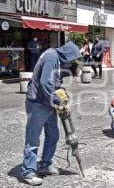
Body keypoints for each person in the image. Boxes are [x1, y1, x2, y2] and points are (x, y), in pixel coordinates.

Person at [21, 41, 81, 186]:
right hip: (38, 103)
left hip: (47, 103)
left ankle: (45, 164)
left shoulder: (56, 58)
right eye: (72, 59)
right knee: (33, 138)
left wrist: (62, 93)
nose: (72, 62)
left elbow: (54, 82)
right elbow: (45, 83)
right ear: (68, 54)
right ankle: (28, 172)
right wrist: (57, 100)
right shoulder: (51, 58)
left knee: (53, 134)